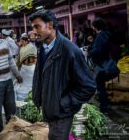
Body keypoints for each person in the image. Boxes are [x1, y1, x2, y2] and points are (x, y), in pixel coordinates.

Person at [28, 10, 96, 140]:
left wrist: (63, 103)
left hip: (61, 113)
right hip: (50, 109)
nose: (34, 32)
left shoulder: (70, 50)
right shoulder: (43, 47)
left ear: (49, 25)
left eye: (37, 27)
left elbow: (88, 87)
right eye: (33, 28)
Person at [88, 18, 119, 114]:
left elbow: (98, 51)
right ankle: (105, 105)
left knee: (100, 86)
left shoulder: (100, 36)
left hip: (102, 65)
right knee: (101, 85)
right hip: (107, 62)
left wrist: (90, 51)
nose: (92, 28)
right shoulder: (107, 34)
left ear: (95, 27)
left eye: (93, 26)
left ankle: (105, 107)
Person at [15, 33, 37, 101]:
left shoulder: (32, 47)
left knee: (30, 83)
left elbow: (35, 58)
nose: (21, 43)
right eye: (21, 41)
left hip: (31, 68)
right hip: (24, 68)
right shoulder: (22, 48)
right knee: (22, 84)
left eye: (22, 41)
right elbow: (19, 59)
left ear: (26, 41)